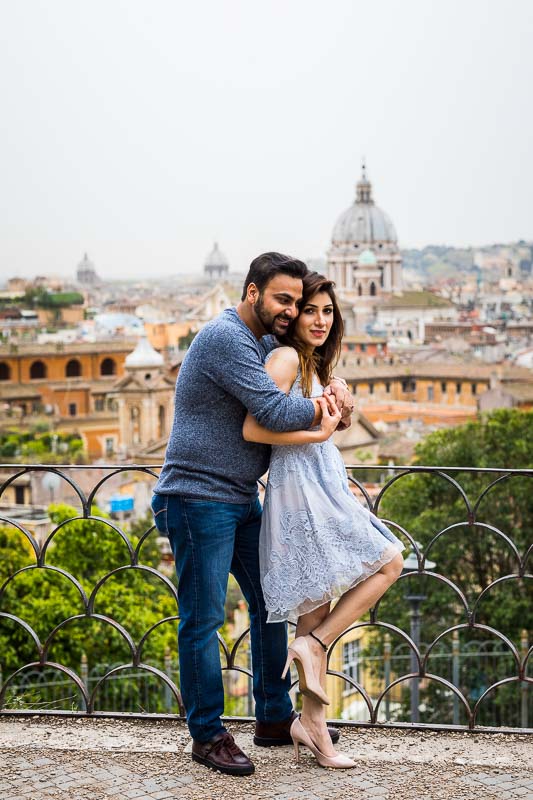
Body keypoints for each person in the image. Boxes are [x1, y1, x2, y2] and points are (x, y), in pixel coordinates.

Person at [151, 253, 354, 776]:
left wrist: (331, 394)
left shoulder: (265, 343)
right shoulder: (226, 338)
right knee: (204, 619)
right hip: (197, 497)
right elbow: (273, 411)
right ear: (252, 292)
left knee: (272, 601)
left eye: (296, 302)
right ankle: (208, 734)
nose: (290, 311)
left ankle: (272, 715)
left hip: (240, 496)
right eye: (282, 300)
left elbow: (288, 393)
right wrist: (327, 409)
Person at [243, 271, 405, 769]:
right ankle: (313, 645)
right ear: (293, 316)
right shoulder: (287, 357)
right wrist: (319, 433)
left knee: (318, 605)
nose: (319, 319)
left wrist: (342, 409)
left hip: (319, 485)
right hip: (302, 495)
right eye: (310, 309)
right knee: (390, 561)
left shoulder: (314, 363)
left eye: (327, 311)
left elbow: (317, 419)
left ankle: (311, 726)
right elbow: (255, 428)